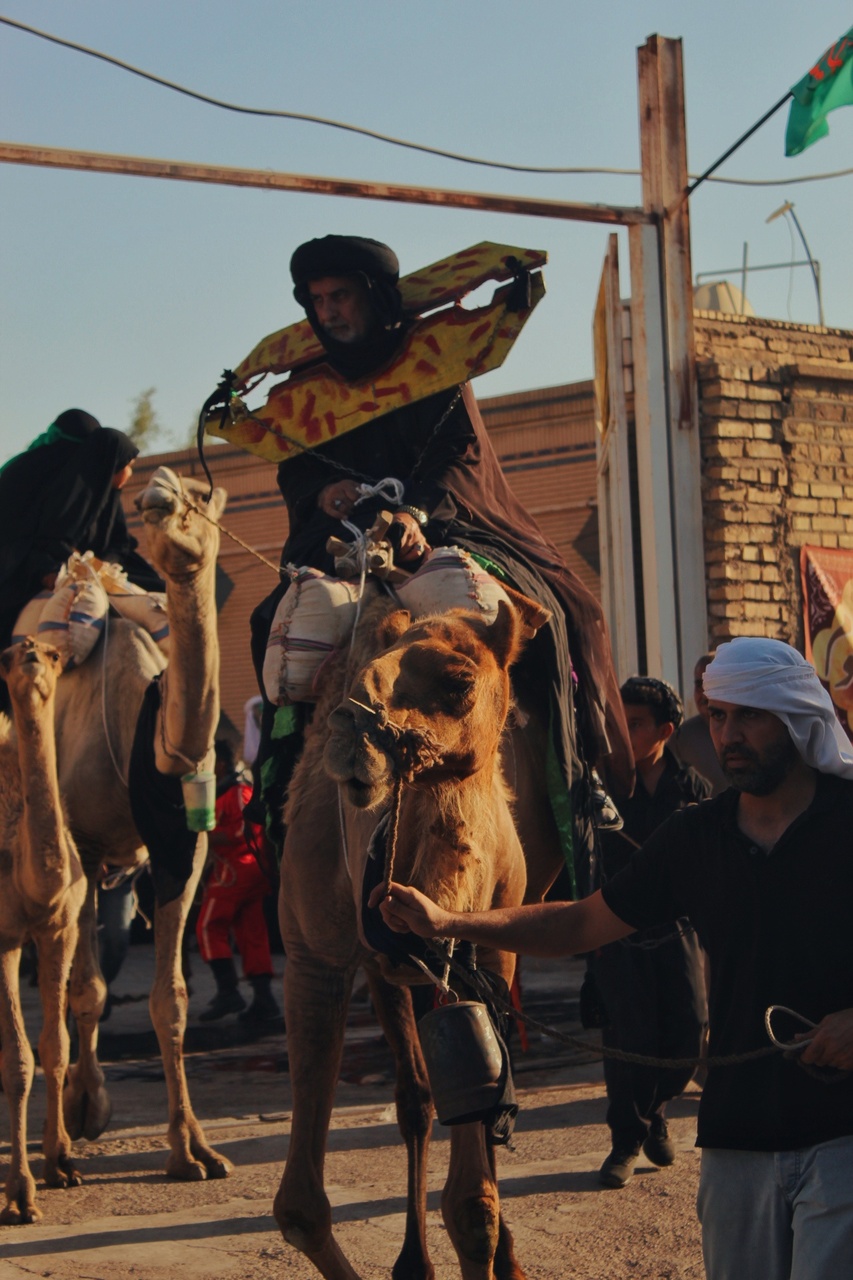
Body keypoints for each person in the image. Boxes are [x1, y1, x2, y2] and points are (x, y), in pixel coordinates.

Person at [374, 638, 853, 1280]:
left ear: (794, 718)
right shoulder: (695, 836)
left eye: (750, 716)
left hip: (842, 1134)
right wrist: (450, 921)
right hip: (738, 1134)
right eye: (717, 716)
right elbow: (579, 921)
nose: (728, 735)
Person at [250, 236, 633, 879]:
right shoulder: (303, 391)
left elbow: (460, 456)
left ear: (372, 297)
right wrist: (322, 493)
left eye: (340, 296)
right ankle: (278, 809)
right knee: (274, 624)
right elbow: (296, 473)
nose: (330, 312)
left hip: (451, 525)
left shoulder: (433, 361)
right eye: (316, 301)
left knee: (573, 614)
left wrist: (416, 512)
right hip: (344, 540)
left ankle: (590, 780)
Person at [593, 676, 709, 1188]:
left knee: (688, 1031)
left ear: (664, 730)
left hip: (678, 929)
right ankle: (626, 1142)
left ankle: (659, 1110)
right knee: (628, 1042)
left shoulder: (693, 789)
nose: (623, 732)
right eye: (619, 721)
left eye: (634, 724)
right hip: (616, 933)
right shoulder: (600, 788)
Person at [0, 409, 162, 708]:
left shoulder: (102, 491)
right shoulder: (37, 476)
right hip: (22, 568)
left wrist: (101, 566)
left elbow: (117, 543)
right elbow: (44, 538)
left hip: (91, 568)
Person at [195, 740, 280, 1024]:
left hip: (237, 872)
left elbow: (247, 831)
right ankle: (264, 999)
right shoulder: (228, 792)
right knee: (251, 932)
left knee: (209, 926)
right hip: (243, 872)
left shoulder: (238, 791)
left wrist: (205, 838)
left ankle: (228, 990)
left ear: (219, 764)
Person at [671, 653, 729, 795]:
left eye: (711, 685)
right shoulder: (681, 737)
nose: (704, 694)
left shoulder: (746, 731)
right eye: (699, 685)